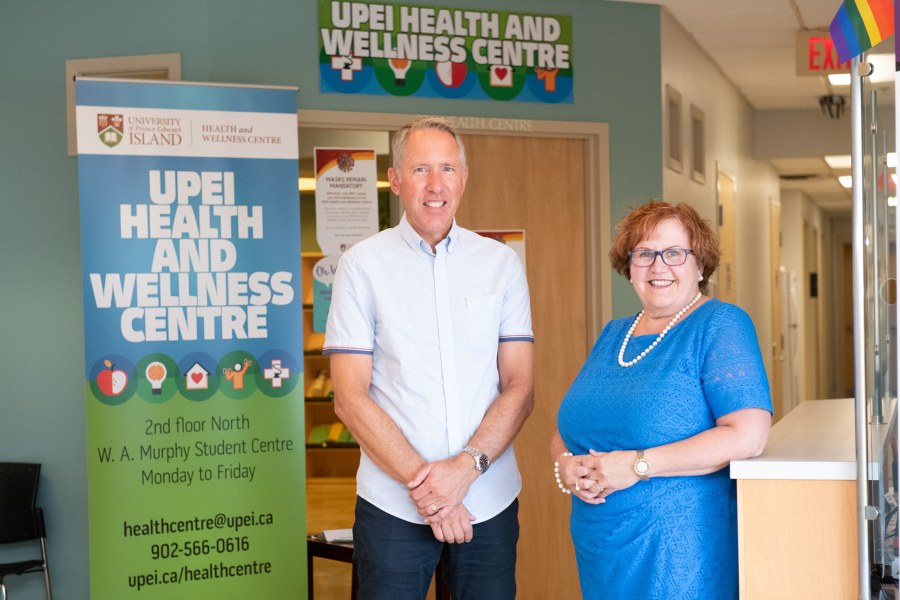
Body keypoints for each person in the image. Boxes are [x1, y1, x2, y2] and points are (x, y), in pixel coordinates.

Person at [324, 116, 535, 600]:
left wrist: (464, 470)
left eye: (447, 168)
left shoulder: (500, 264)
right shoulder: (362, 265)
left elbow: (520, 387)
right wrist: (431, 492)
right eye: (420, 170)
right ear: (396, 180)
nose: (436, 185)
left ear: (464, 177)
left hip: (489, 501)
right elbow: (350, 398)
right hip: (394, 507)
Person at [551, 200, 772, 599]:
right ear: (628, 265)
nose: (658, 267)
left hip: (678, 547)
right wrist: (565, 466)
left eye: (674, 253)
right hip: (601, 545)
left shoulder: (721, 325)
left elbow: (748, 435)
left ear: (700, 264)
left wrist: (637, 466)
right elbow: (569, 427)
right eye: (644, 254)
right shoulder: (613, 334)